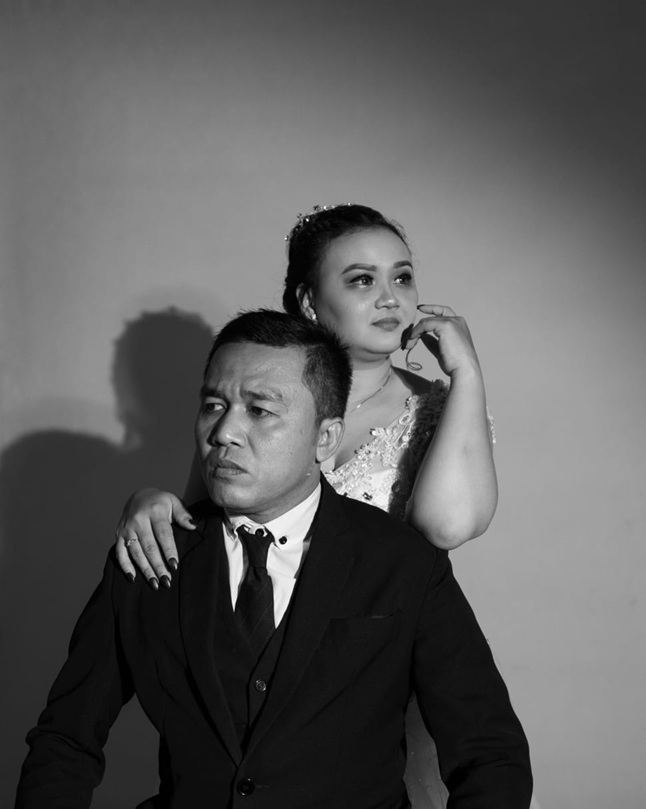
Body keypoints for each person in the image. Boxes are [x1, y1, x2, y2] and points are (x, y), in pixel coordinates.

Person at [15, 310, 532, 809]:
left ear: (325, 438)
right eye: (213, 405)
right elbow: (65, 740)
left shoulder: (402, 562)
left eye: (259, 410)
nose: (223, 432)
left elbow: (490, 753)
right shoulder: (152, 552)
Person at [112, 204, 500, 807]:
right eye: (362, 280)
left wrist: (466, 372)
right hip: (259, 674)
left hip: (374, 677)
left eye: (402, 277)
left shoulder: (437, 406)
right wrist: (147, 502)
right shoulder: (248, 401)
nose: (391, 298)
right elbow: (207, 525)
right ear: (310, 302)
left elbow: (446, 526)